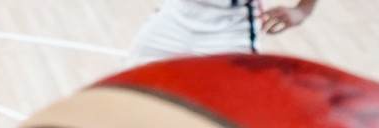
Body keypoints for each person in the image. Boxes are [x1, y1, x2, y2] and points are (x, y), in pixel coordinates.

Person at [127, 0, 322, 66]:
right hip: (174, 18)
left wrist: (303, 10)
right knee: (127, 93)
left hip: (231, 31)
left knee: (224, 118)